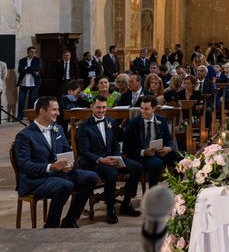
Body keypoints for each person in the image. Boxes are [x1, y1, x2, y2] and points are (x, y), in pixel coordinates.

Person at [13, 96, 98, 228]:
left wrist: (69, 164)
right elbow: (25, 166)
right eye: (54, 110)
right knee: (65, 185)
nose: (58, 113)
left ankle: (70, 220)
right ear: (42, 111)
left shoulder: (57, 129)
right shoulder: (24, 135)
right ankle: (51, 225)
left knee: (91, 177)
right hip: (35, 180)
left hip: (58, 174)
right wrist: (50, 167)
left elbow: (67, 151)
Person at [76, 96, 143, 224]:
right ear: (92, 107)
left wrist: (116, 157)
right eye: (98, 107)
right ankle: (110, 209)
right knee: (111, 173)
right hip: (93, 162)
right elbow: (84, 151)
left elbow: (115, 144)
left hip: (111, 159)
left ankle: (126, 203)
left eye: (104, 107)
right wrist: (101, 160)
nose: (101, 110)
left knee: (137, 167)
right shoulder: (84, 126)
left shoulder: (111, 122)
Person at [123, 96, 177, 188]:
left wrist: (169, 148)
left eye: (146, 109)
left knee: (183, 158)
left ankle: (175, 186)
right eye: (141, 108)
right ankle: (153, 193)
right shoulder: (133, 123)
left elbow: (168, 140)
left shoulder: (161, 120)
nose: (143, 111)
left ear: (154, 109)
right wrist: (144, 152)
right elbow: (126, 149)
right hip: (142, 156)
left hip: (160, 152)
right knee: (156, 163)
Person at [17, 46, 41, 121]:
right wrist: (31, 70)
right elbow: (20, 70)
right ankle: (20, 116)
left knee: (32, 100)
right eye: (31, 51)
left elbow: (38, 69)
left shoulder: (37, 60)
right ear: (28, 52)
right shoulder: (22, 60)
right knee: (21, 100)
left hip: (33, 83)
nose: (33, 53)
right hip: (23, 83)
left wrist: (27, 68)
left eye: (34, 52)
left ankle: (31, 116)